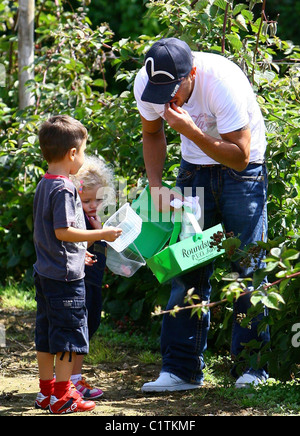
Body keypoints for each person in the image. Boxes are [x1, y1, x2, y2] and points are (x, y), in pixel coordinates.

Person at [134, 37, 270, 391]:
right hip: (194, 171)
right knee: (188, 264)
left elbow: (240, 156)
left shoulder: (220, 82)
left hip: (244, 172)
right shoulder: (147, 84)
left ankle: (253, 369)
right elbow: (152, 132)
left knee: (246, 265)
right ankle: (181, 370)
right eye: (158, 90)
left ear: (191, 72)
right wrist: (155, 185)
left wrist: (191, 131)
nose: (165, 99)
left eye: (172, 89)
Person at [33, 115, 122, 414]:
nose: (82, 158)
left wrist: (75, 251)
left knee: (45, 335)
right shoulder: (66, 188)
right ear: (73, 154)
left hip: (45, 271)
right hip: (66, 277)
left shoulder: (44, 184)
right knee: (69, 337)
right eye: (83, 151)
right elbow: (63, 231)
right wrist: (101, 233)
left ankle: (46, 394)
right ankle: (63, 396)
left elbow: (47, 233)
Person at [70, 155, 116, 399]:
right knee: (80, 327)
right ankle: (71, 380)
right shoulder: (75, 223)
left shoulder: (94, 220)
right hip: (78, 280)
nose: (92, 205)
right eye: (86, 200)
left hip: (94, 280)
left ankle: (73, 379)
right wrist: (98, 233)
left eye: (98, 199)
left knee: (91, 324)